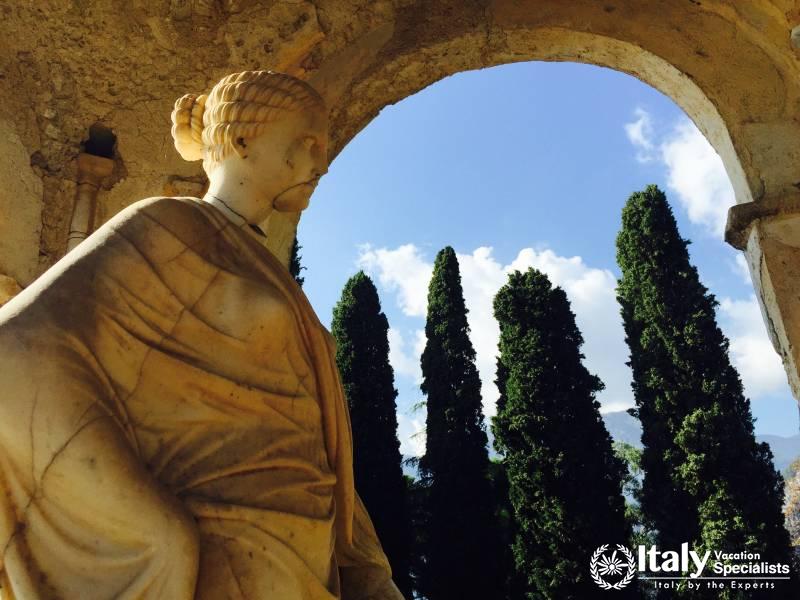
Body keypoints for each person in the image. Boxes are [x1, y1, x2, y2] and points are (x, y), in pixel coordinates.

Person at [0, 70, 404, 600]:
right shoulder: (164, 226)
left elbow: (312, 435)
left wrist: (367, 567)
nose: (320, 163)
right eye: (306, 144)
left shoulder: (273, 275)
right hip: (228, 556)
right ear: (241, 140)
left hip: (305, 556)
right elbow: (15, 350)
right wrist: (148, 534)